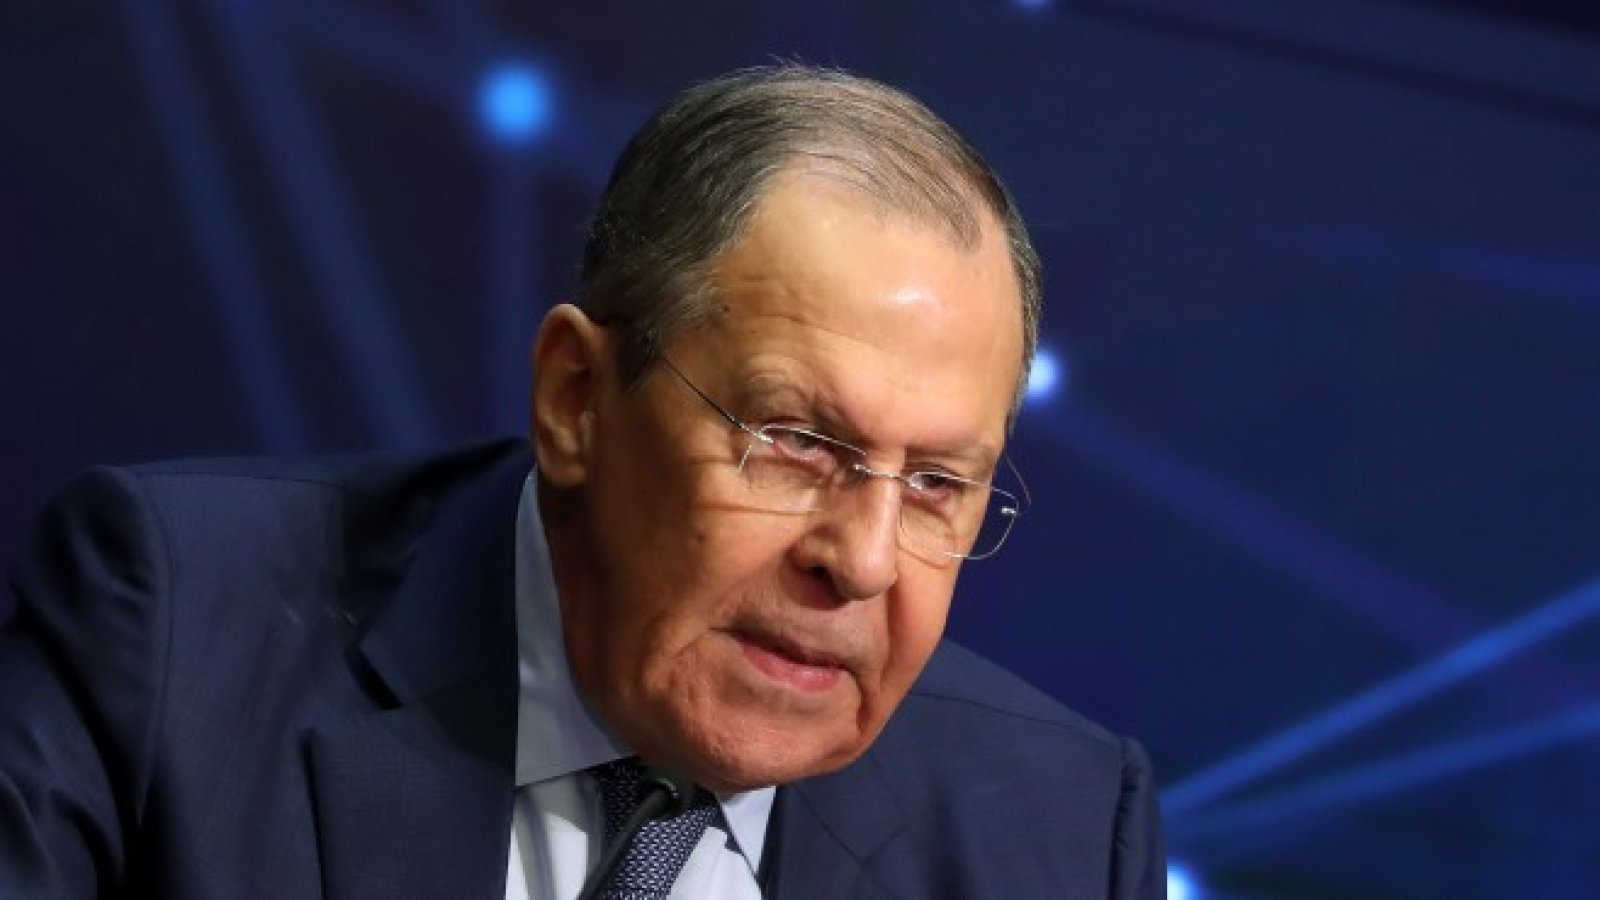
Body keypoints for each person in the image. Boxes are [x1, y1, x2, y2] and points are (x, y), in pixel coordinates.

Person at [0, 66, 1163, 898]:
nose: (859, 561)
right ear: (575, 399)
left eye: (936, 484)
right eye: (795, 441)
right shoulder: (171, 633)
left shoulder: (1062, 839)